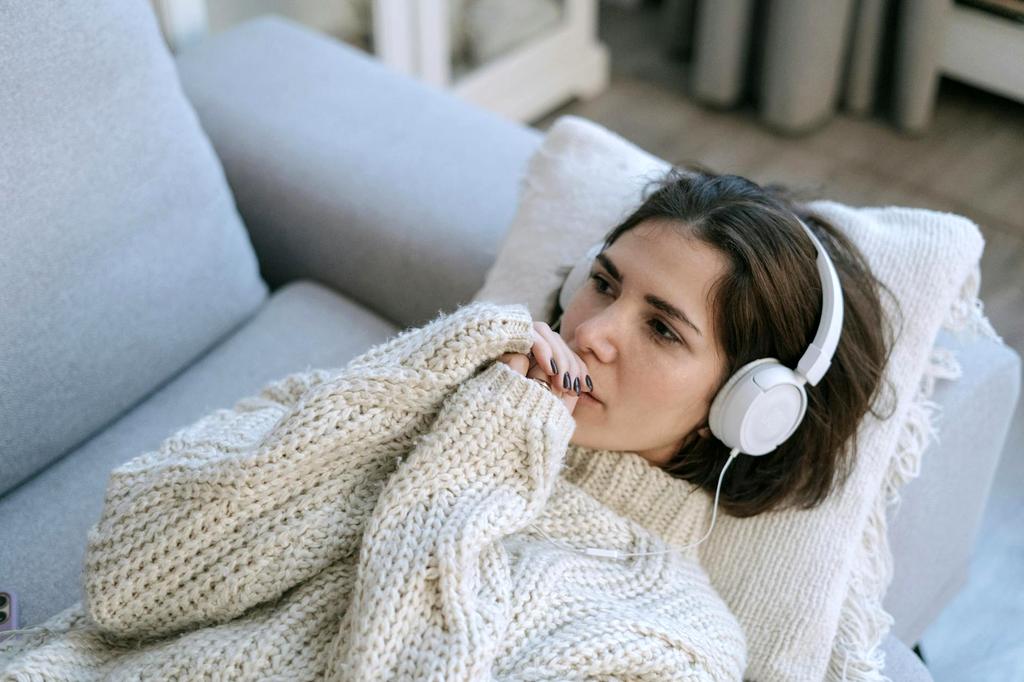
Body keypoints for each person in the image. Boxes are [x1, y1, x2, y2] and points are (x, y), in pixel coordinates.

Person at [500, 164, 899, 518]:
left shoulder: (646, 595)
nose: (588, 333)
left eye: (662, 329)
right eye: (604, 284)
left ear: (744, 403)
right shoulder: (476, 384)